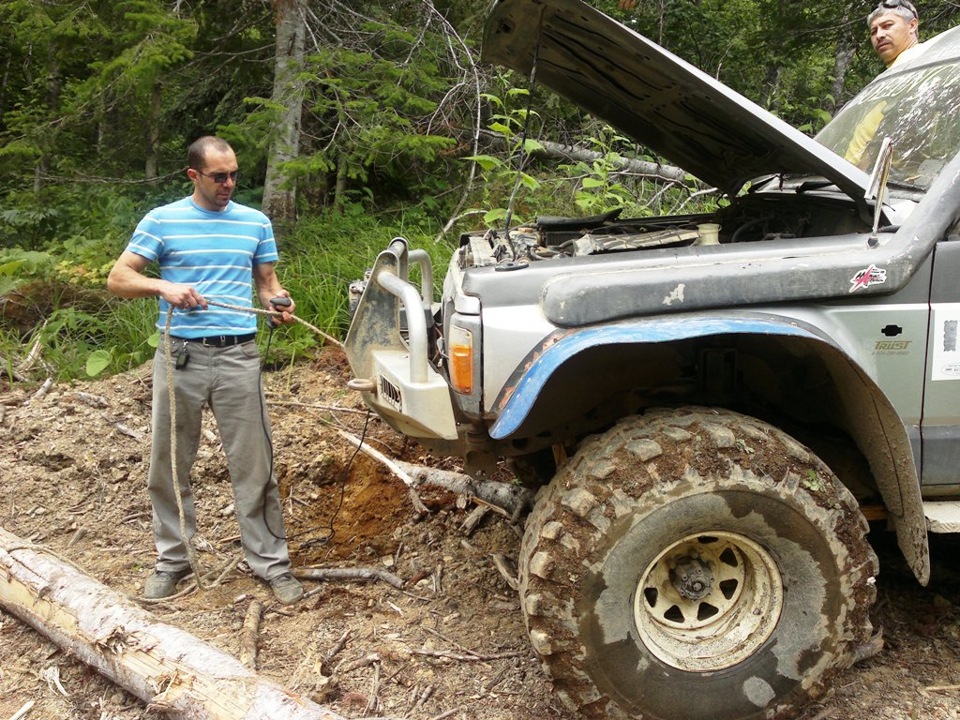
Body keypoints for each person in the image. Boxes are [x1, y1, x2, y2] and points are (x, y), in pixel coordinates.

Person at [107, 136, 303, 605]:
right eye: (219, 176)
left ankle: (271, 563)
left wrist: (278, 303)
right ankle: (173, 561)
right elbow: (119, 278)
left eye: (234, 174)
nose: (229, 184)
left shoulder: (255, 222)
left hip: (239, 356)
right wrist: (163, 287)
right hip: (181, 358)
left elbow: (267, 281)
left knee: (256, 465)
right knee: (168, 464)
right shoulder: (162, 220)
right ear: (193, 175)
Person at [868, 0, 923, 68]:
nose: (879, 35)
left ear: (912, 25)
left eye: (887, 25)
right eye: (874, 31)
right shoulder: (891, 74)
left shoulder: (930, 59)